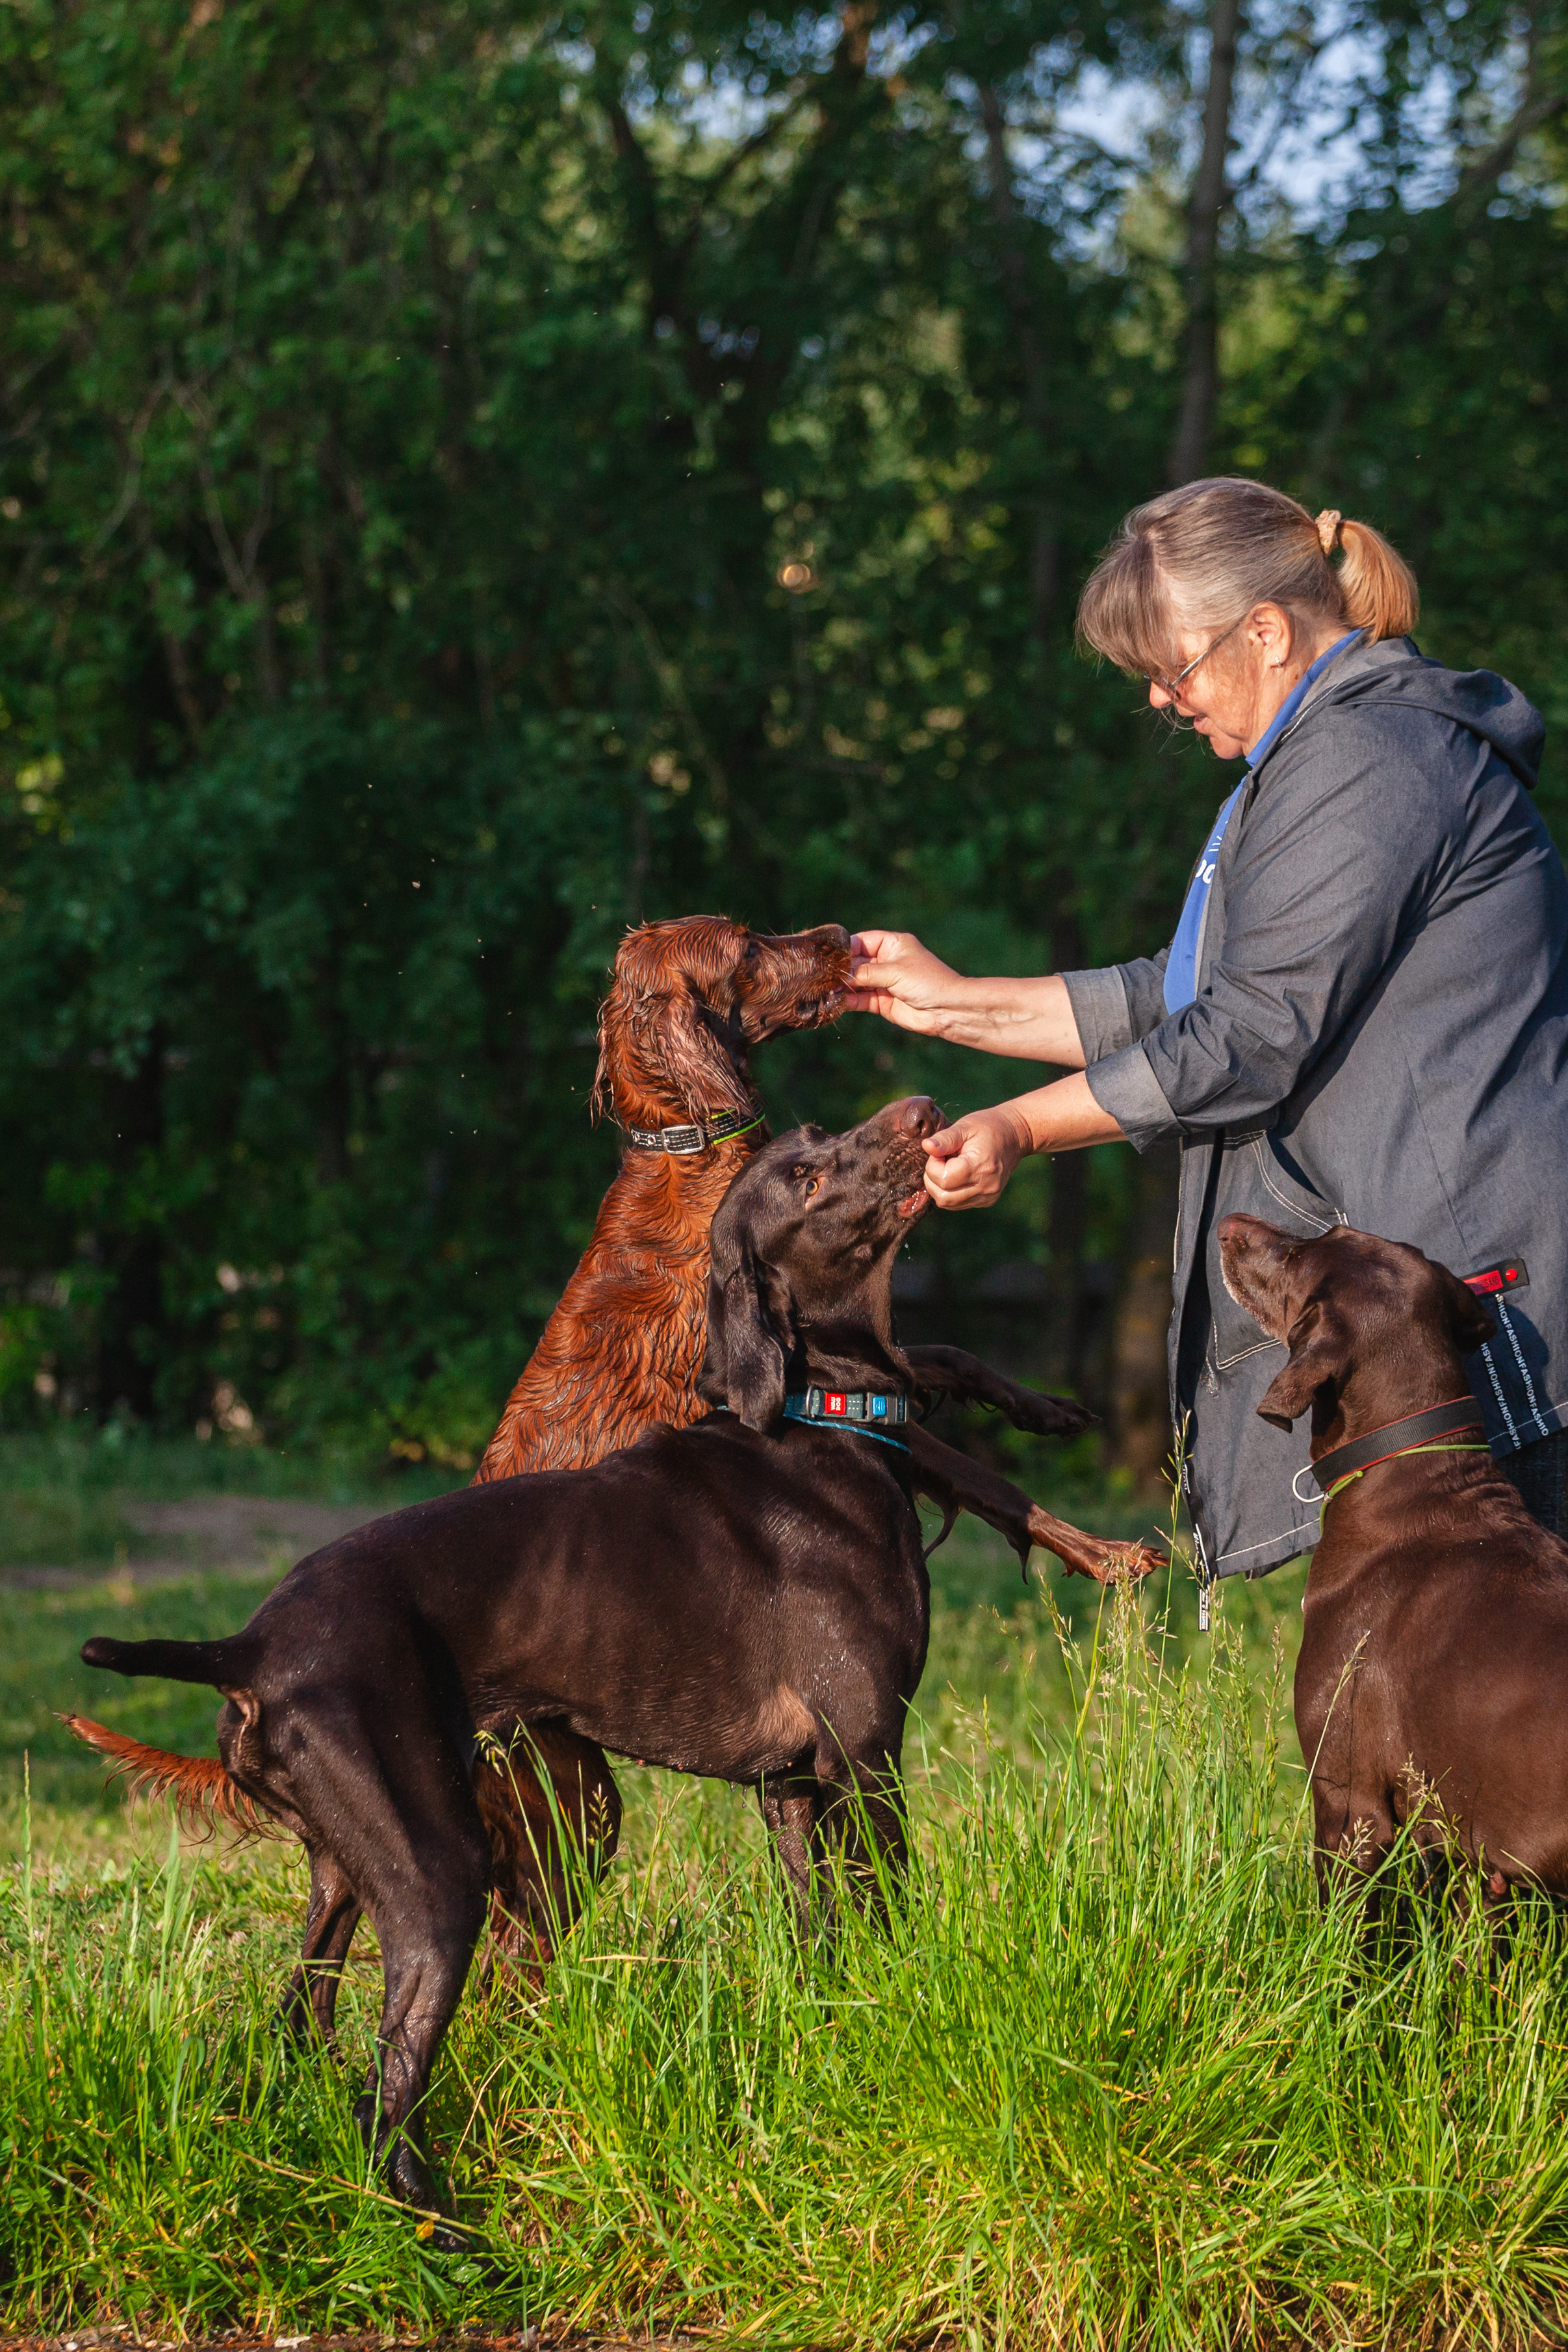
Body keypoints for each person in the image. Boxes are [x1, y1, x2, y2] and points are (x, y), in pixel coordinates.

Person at [847, 476, 1568, 1585]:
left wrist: (1021, 1132)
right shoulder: (1310, 758)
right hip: (1440, 1302)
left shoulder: (1367, 758)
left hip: (1492, 1307)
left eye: (1169, 671)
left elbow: (1248, 1032)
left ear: (1268, 632)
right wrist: (948, 1002)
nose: (1160, 703)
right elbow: (1180, 999)